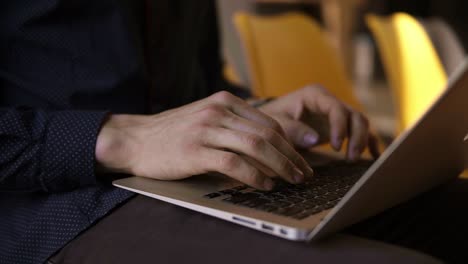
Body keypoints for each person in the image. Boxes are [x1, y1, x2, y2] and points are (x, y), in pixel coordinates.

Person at [1, 1, 467, 264]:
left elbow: (196, 87)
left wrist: (258, 112)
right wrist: (122, 138)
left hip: (204, 181)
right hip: (56, 208)